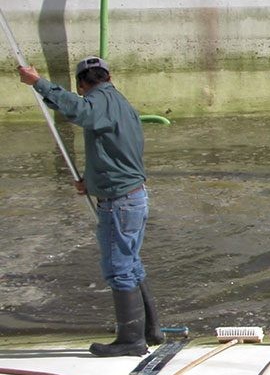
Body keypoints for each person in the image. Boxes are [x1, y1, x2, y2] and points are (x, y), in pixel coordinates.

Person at [17, 56, 162, 357]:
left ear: (82, 85)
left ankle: (131, 340)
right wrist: (91, 182)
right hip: (132, 196)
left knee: (118, 269)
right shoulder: (117, 102)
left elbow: (80, 112)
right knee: (131, 264)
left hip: (120, 202)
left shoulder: (98, 103)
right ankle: (150, 330)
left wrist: (39, 83)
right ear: (109, 76)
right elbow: (114, 150)